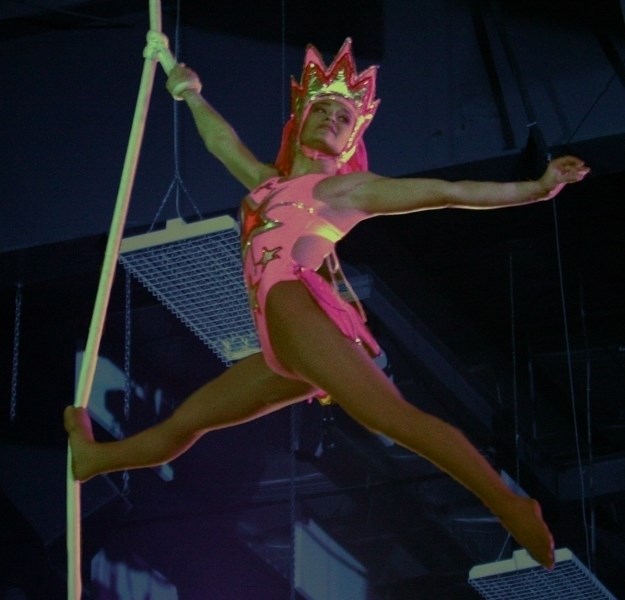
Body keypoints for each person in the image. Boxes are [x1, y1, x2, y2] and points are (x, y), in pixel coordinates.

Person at [65, 38, 589, 570]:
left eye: (344, 116)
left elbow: (448, 191)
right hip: (281, 338)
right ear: (302, 117)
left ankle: (507, 503)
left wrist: (535, 189)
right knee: (190, 421)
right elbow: (224, 145)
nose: (333, 119)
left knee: (388, 416)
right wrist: (191, 93)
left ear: (351, 139)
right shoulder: (267, 184)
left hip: (293, 303)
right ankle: (94, 460)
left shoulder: (348, 191)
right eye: (323, 109)